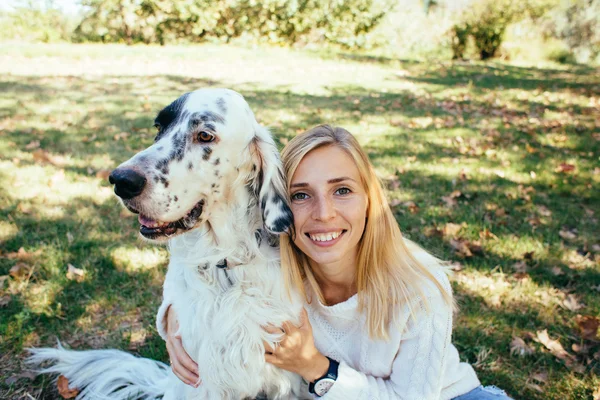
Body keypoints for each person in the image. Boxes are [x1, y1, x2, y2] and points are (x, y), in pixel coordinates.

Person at [163, 125, 513, 399]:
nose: (324, 214)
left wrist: (314, 366)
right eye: (301, 195)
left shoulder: (419, 286)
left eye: (342, 190)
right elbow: (199, 253)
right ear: (278, 204)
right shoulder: (274, 258)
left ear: (369, 199)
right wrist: (174, 315)